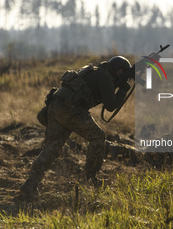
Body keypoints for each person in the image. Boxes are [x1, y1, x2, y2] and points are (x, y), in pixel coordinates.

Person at [19, 56, 131, 198]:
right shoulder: (105, 76)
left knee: (52, 147)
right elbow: (111, 105)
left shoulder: (93, 70)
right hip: (70, 109)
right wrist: (123, 90)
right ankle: (90, 180)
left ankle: (30, 185)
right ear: (119, 71)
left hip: (55, 106)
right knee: (98, 137)